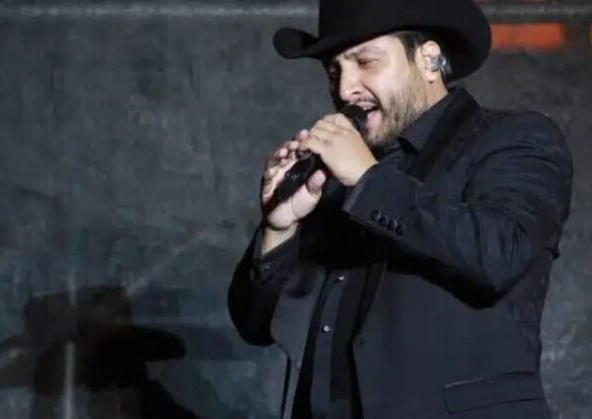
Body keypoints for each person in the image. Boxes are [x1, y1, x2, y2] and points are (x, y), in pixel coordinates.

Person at [228, 0, 573, 417]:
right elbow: (257, 325)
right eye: (334, 71)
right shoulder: (333, 180)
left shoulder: (513, 139)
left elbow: (499, 254)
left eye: (366, 62)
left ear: (429, 60)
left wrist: (368, 180)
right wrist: (279, 228)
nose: (345, 89)